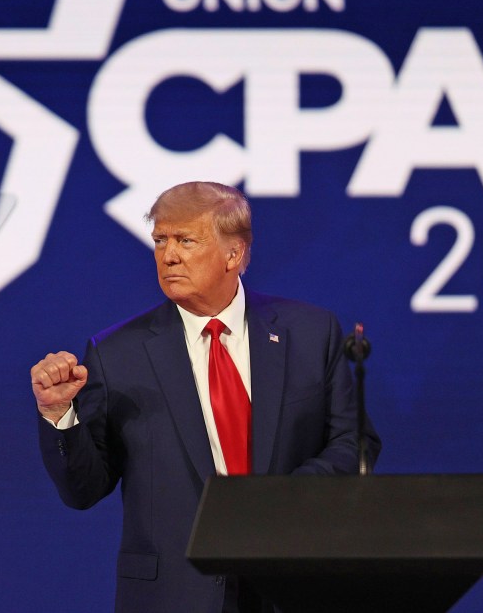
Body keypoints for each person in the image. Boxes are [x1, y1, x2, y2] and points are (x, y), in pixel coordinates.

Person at [30, 181, 381, 613]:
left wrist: (282, 497)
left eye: (185, 240)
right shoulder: (117, 353)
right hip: (172, 595)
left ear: (233, 255)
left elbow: (354, 443)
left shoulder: (310, 333)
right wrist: (60, 413)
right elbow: (84, 488)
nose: (168, 255)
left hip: (291, 585)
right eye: (160, 240)